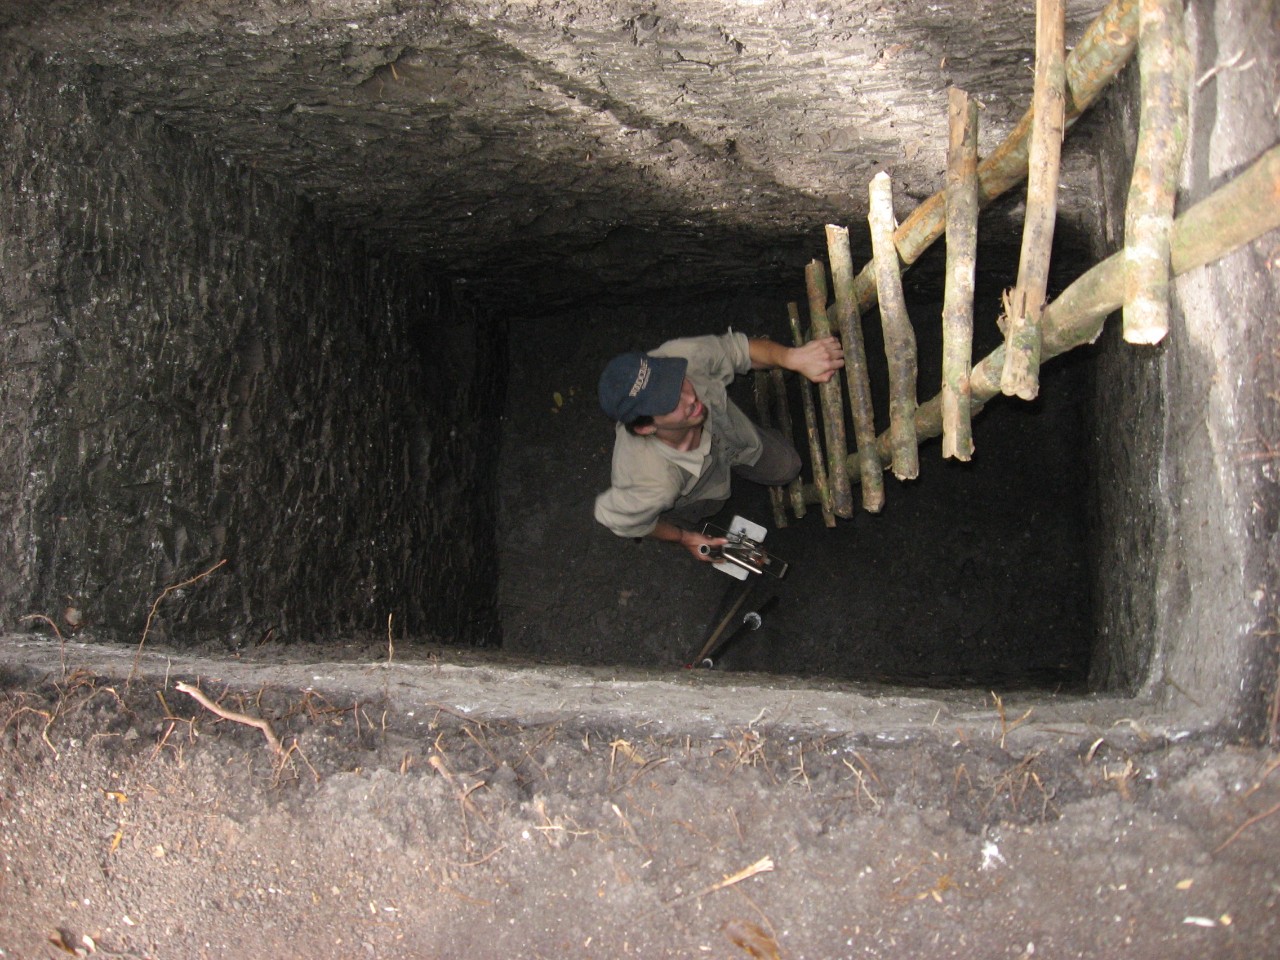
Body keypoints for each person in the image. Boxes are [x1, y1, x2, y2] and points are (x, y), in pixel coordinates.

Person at [593, 328, 844, 563]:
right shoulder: (649, 482)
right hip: (697, 494)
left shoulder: (681, 356)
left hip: (737, 441)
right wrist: (685, 538)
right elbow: (622, 521)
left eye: (677, 381)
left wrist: (791, 357)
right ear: (645, 427)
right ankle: (690, 522)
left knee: (788, 467)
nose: (691, 398)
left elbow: (739, 350)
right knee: (706, 511)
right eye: (669, 404)